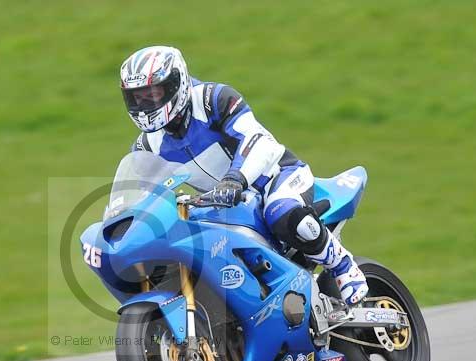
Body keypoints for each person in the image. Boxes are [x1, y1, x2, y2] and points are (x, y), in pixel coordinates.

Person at [120, 45, 368, 305]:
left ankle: (342, 266)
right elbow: (143, 196)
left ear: (176, 83)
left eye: (153, 92)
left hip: (276, 177)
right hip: (224, 203)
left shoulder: (212, 99)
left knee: (280, 211)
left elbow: (257, 139)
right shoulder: (146, 146)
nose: (145, 103)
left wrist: (235, 179)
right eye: (137, 97)